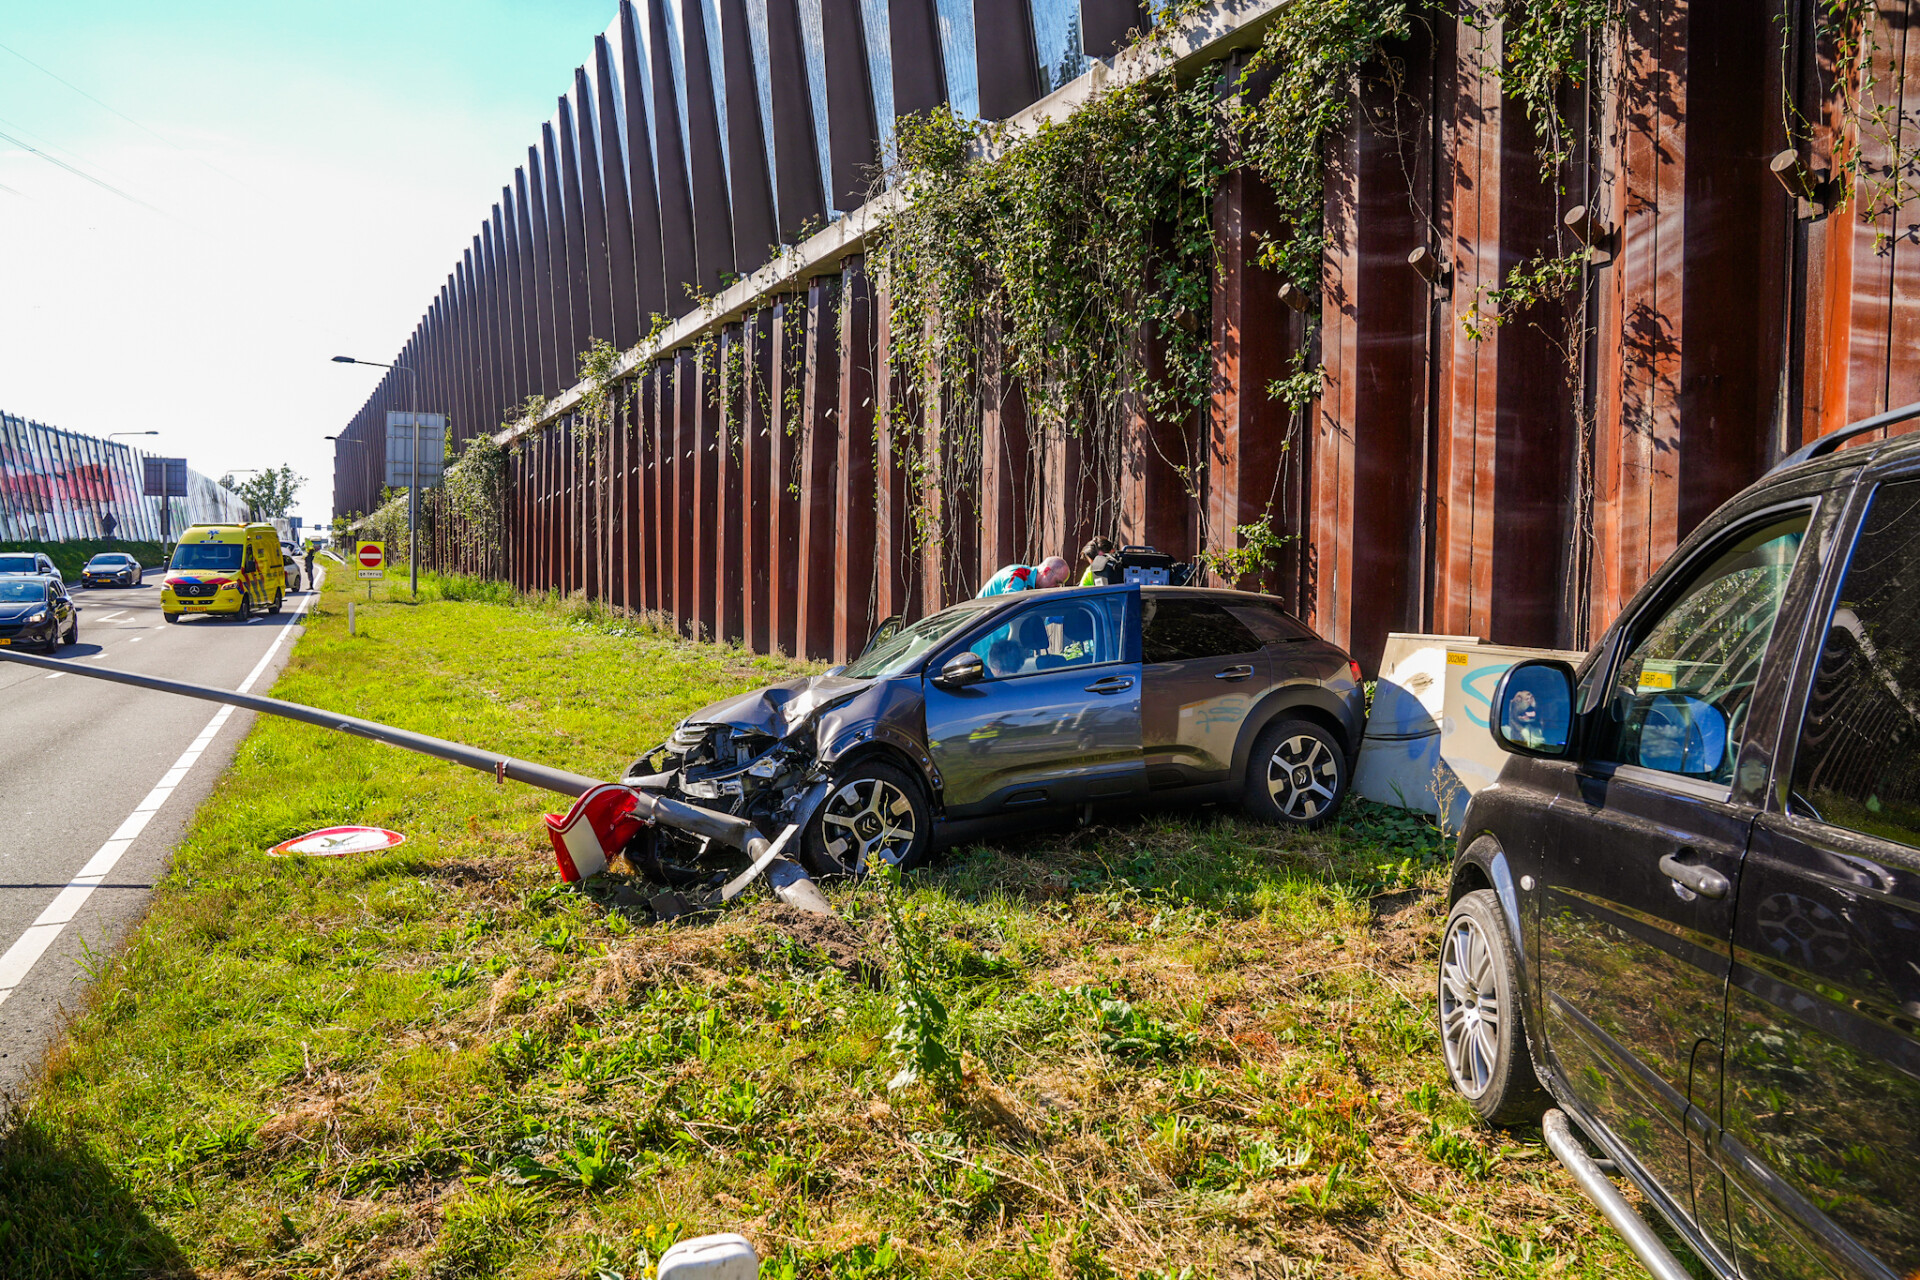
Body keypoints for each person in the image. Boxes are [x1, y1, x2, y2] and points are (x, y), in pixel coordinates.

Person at [977, 555, 1070, 597]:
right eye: (1057, 582)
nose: (1057, 587)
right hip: (982, 632)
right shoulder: (1019, 573)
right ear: (1046, 571)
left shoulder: (1036, 587)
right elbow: (1010, 602)